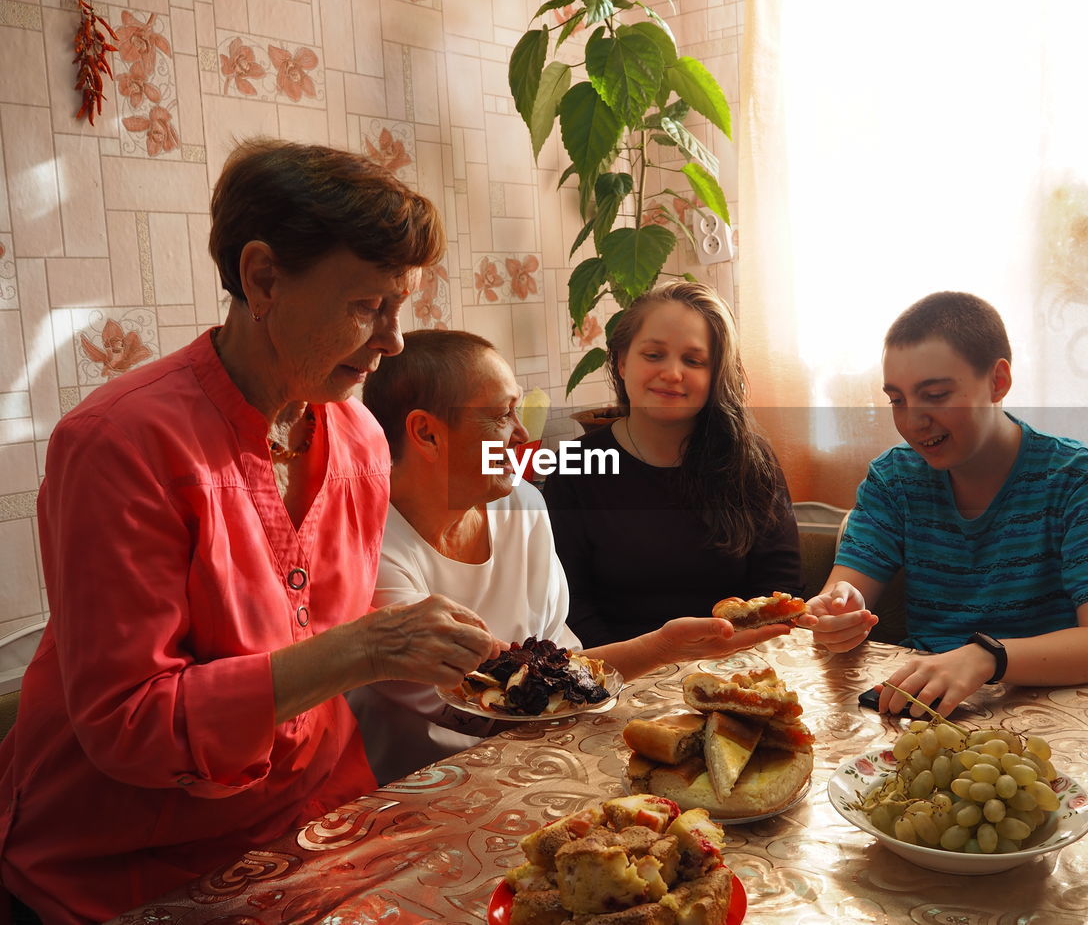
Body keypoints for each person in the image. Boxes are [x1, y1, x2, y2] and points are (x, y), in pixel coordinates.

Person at [0, 140, 501, 923]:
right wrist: (366, 647)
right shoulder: (119, 443)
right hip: (127, 865)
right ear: (263, 277)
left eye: (400, 309)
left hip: (311, 828)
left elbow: (316, 639)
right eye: (368, 305)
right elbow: (128, 723)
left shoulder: (360, 439)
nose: (393, 341)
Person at [346, 330, 793, 783]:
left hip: (533, 766)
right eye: (502, 416)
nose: (522, 434)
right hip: (417, 791)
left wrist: (666, 646)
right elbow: (467, 711)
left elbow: (564, 677)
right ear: (426, 432)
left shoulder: (520, 504)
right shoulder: (367, 545)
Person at [799, 291, 1088, 718]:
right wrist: (836, 614)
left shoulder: (1084, 482)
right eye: (897, 400)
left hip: (1060, 717)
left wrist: (986, 658)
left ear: (997, 382)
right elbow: (842, 593)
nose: (911, 421)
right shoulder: (894, 479)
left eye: (936, 395)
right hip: (929, 716)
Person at [541, 281, 804, 647]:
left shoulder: (751, 461)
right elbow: (567, 603)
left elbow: (780, 587)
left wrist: (730, 657)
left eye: (694, 361)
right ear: (620, 361)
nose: (672, 373)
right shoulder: (576, 466)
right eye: (653, 355)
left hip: (736, 665)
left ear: (715, 376)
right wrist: (631, 671)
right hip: (616, 674)